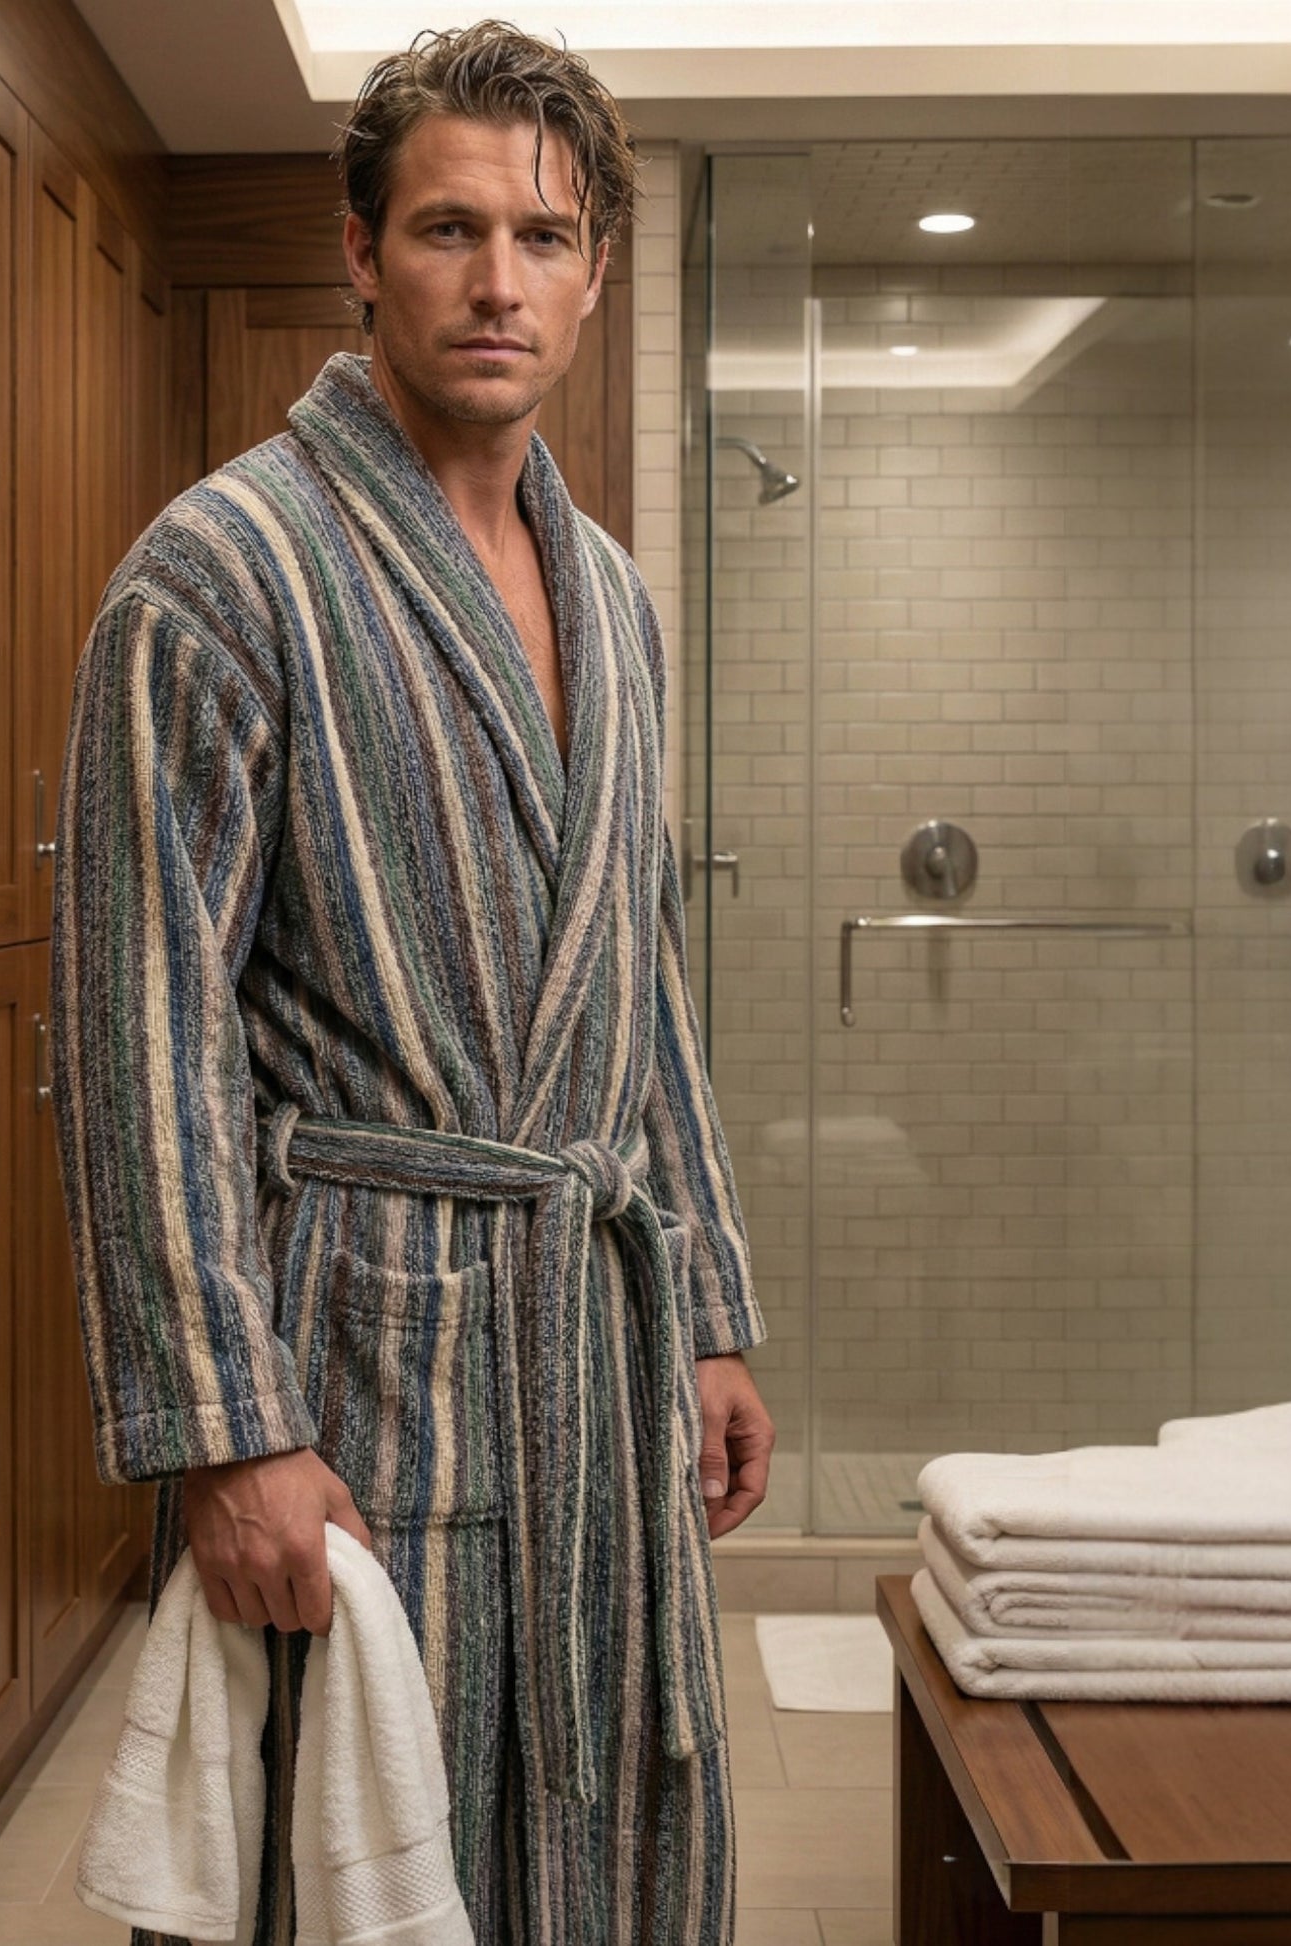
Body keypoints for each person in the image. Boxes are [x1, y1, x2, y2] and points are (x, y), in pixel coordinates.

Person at [51, 20, 775, 1943]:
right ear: (362, 252)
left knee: (597, 1833)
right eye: (450, 229)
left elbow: (642, 976)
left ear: (595, 274)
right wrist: (224, 1430)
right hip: (356, 1356)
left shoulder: (612, 593)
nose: (498, 280)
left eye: (543, 238)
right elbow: (141, 1040)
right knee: (356, 1848)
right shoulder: (221, 570)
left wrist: (697, 1297)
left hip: (589, 1333)